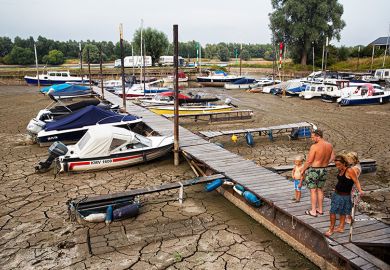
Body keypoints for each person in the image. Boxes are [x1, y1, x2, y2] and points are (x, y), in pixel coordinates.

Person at [325, 154, 364, 236]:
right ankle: (341, 227)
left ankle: (331, 229)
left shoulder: (349, 170)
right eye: (336, 165)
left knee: (334, 212)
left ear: (344, 163)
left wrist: (360, 190)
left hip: (344, 195)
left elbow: (356, 181)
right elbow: (342, 181)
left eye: (339, 164)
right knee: (339, 212)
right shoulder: (341, 170)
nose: (337, 166)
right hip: (337, 194)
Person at [300, 129, 335, 217]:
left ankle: (313, 211)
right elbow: (333, 157)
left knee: (313, 190)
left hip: (314, 170)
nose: (312, 139)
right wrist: (326, 162)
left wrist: (303, 170)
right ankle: (320, 209)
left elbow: (309, 161)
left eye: (313, 137)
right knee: (320, 189)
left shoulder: (314, 146)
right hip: (323, 170)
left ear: (318, 136)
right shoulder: (329, 145)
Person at [345, 152, 362, 224]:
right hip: (353, 186)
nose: (347, 160)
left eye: (348, 159)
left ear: (353, 159)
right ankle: (349, 216)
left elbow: (352, 179)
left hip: (351, 187)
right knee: (352, 202)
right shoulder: (357, 166)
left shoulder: (354, 168)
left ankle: (348, 218)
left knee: (351, 202)